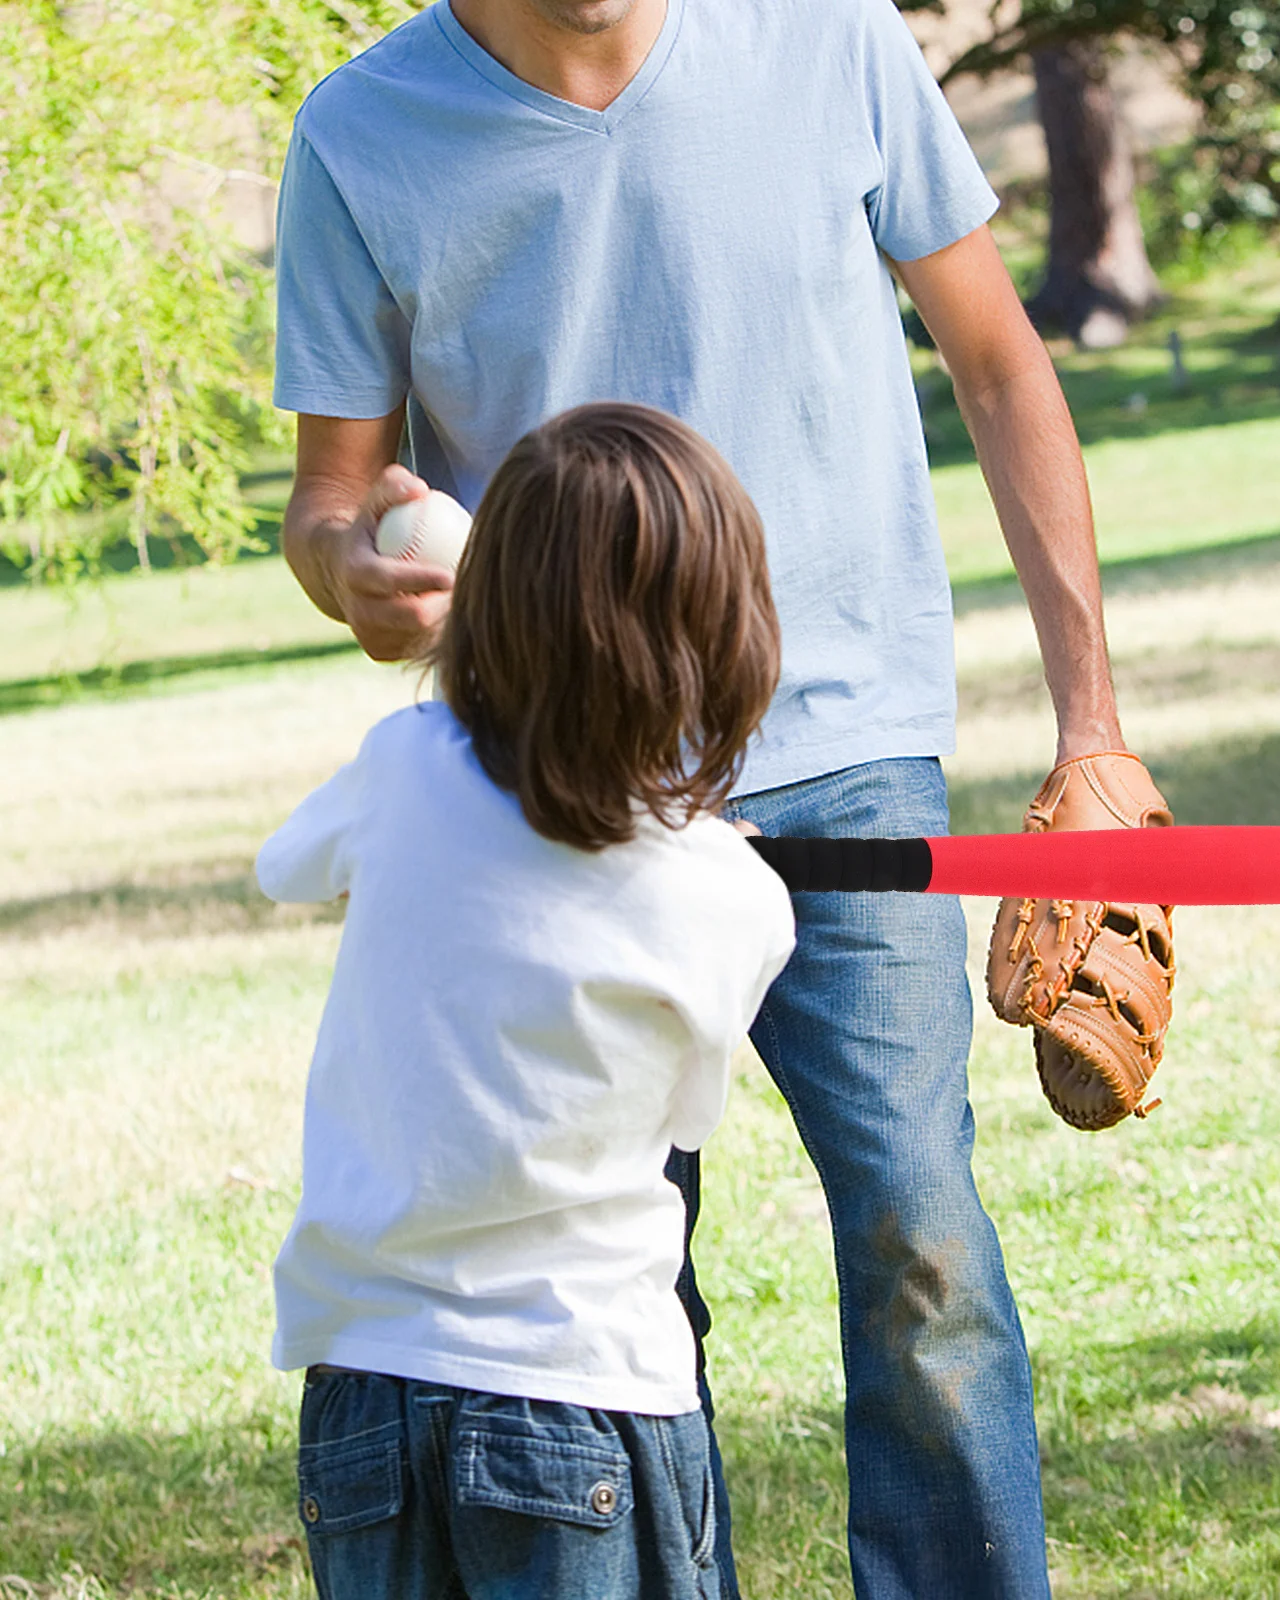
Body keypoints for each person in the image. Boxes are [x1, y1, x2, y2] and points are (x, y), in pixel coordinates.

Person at [273, 2, 1139, 1594]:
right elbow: (329, 498)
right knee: (599, 1280)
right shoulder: (361, 133)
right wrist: (361, 572)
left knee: (922, 1244)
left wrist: (1092, 728)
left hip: (843, 743)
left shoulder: (831, 39)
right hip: (563, 787)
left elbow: (1004, 364)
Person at [256, 403, 796, 1600]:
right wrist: (706, 845)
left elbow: (284, 864)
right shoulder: (727, 895)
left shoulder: (401, 770)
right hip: (578, 1387)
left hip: (362, 1396)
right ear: (720, 633)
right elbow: (688, 1117)